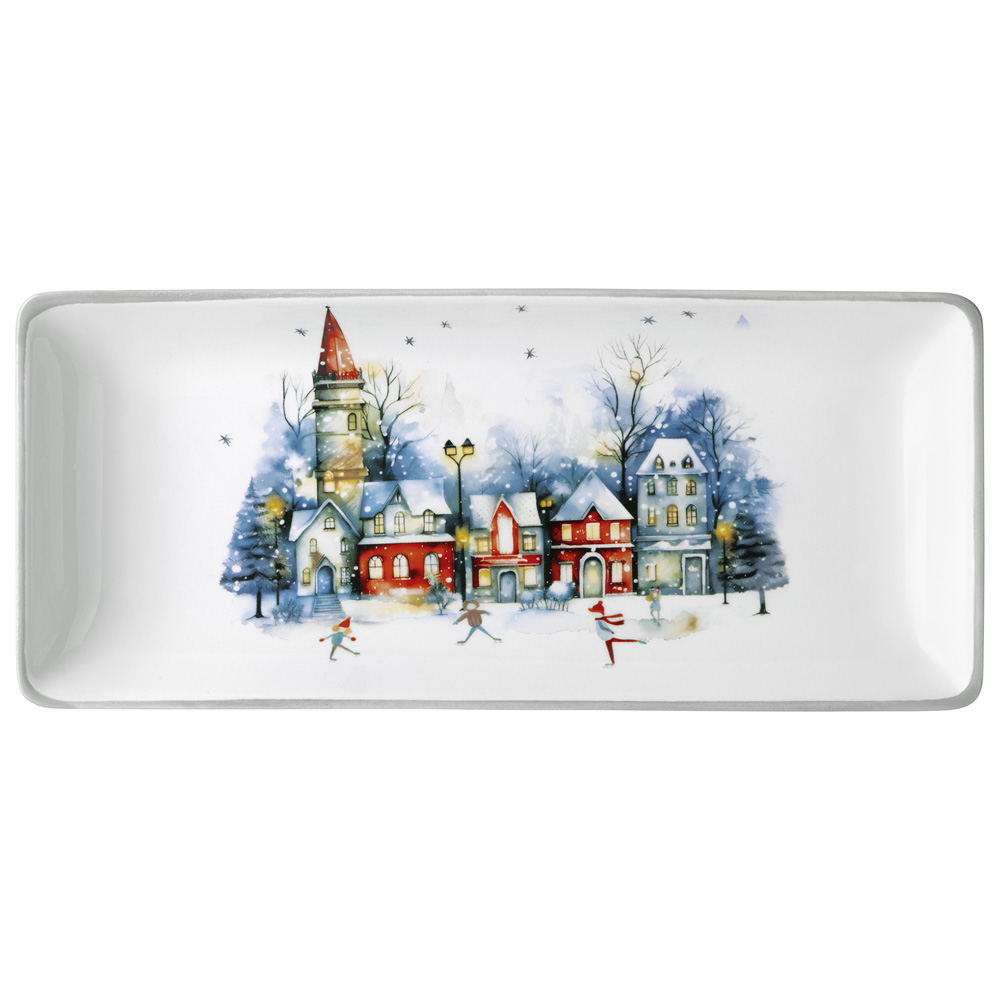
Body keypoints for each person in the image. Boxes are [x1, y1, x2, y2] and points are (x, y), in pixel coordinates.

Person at [588, 600, 646, 667]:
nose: (592, 614)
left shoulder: (599, 621)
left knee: (614, 646)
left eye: (594, 612)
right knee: (619, 642)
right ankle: (637, 641)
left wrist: (610, 631)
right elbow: (603, 627)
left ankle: (613, 662)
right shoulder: (600, 620)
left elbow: (602, 627)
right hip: (606, 637)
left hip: (606, 636)